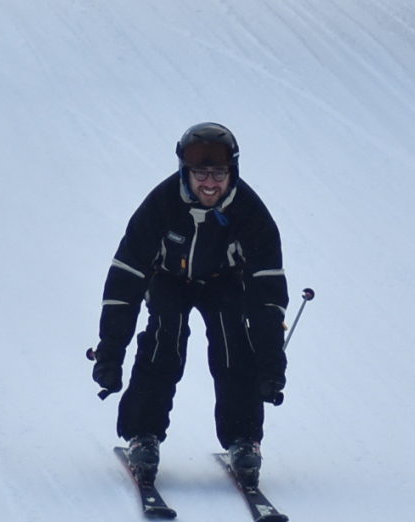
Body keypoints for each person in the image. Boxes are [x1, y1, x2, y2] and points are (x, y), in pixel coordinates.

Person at [91, 122, 288, 487]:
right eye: (200, 173)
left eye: (219, 173)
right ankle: (143, 434)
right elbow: (125, 279)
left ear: (232, 172)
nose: (210, 183)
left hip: (224, 281)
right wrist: (110, 353)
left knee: (233, 337)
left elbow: (267, 293)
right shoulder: (161, 205)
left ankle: (244, 438)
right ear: (185, 171)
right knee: (165, 335)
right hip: (169, 279)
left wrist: (272, 363)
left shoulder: (250, 214)